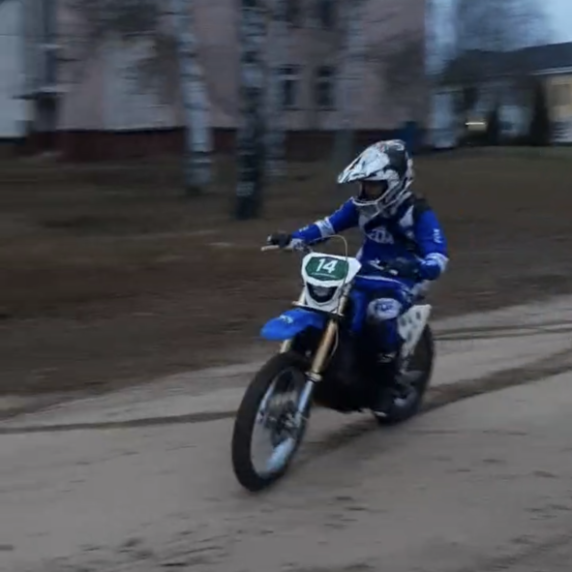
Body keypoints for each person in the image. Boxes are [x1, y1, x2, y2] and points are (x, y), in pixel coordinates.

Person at [267, 139, 449, 415]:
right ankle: (305, 361)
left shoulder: (417, 212)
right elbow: (327, 226)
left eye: (372, 185)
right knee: (323, 302)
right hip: (362, 271)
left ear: (395, 184)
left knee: (381, 313)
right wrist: (294, 238)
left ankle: (387, 381)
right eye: (363, 184)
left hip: (402, 278)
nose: (365, 191)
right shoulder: (359, 206)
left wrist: (427, 265)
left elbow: (437, 251)